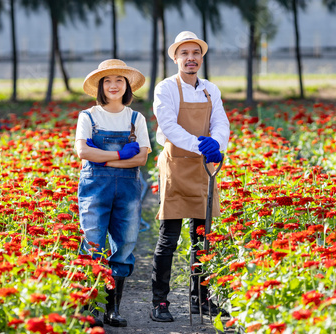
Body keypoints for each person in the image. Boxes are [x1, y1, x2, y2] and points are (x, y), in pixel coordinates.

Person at [150, 31, 230, 322]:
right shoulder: (166, 89)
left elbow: (221, 122)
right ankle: (160, 302)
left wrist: (217, 144)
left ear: (201, 57)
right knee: (169, 239)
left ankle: (201, 300)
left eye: (195, 53)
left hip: (204, 168)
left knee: (203, 238)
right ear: (175, 58)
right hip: (176, 165)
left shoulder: (210, 89)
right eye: (184, 53)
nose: (190, 58)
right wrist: (201, 144)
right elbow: (168, 126)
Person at [76, 59, 151, 327]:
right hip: (95, 187)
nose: (114, 85)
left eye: (119, 80)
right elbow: (83, 152)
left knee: (126, 245)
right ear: (100, 86)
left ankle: (112, 309)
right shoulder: (88, 116)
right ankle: (90, 308)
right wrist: (119, 154)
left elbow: (141, 158)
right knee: (93, 243)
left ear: (127, 85)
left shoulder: (135, 118)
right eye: (107, 80)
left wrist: (104, 159)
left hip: (127, 189)